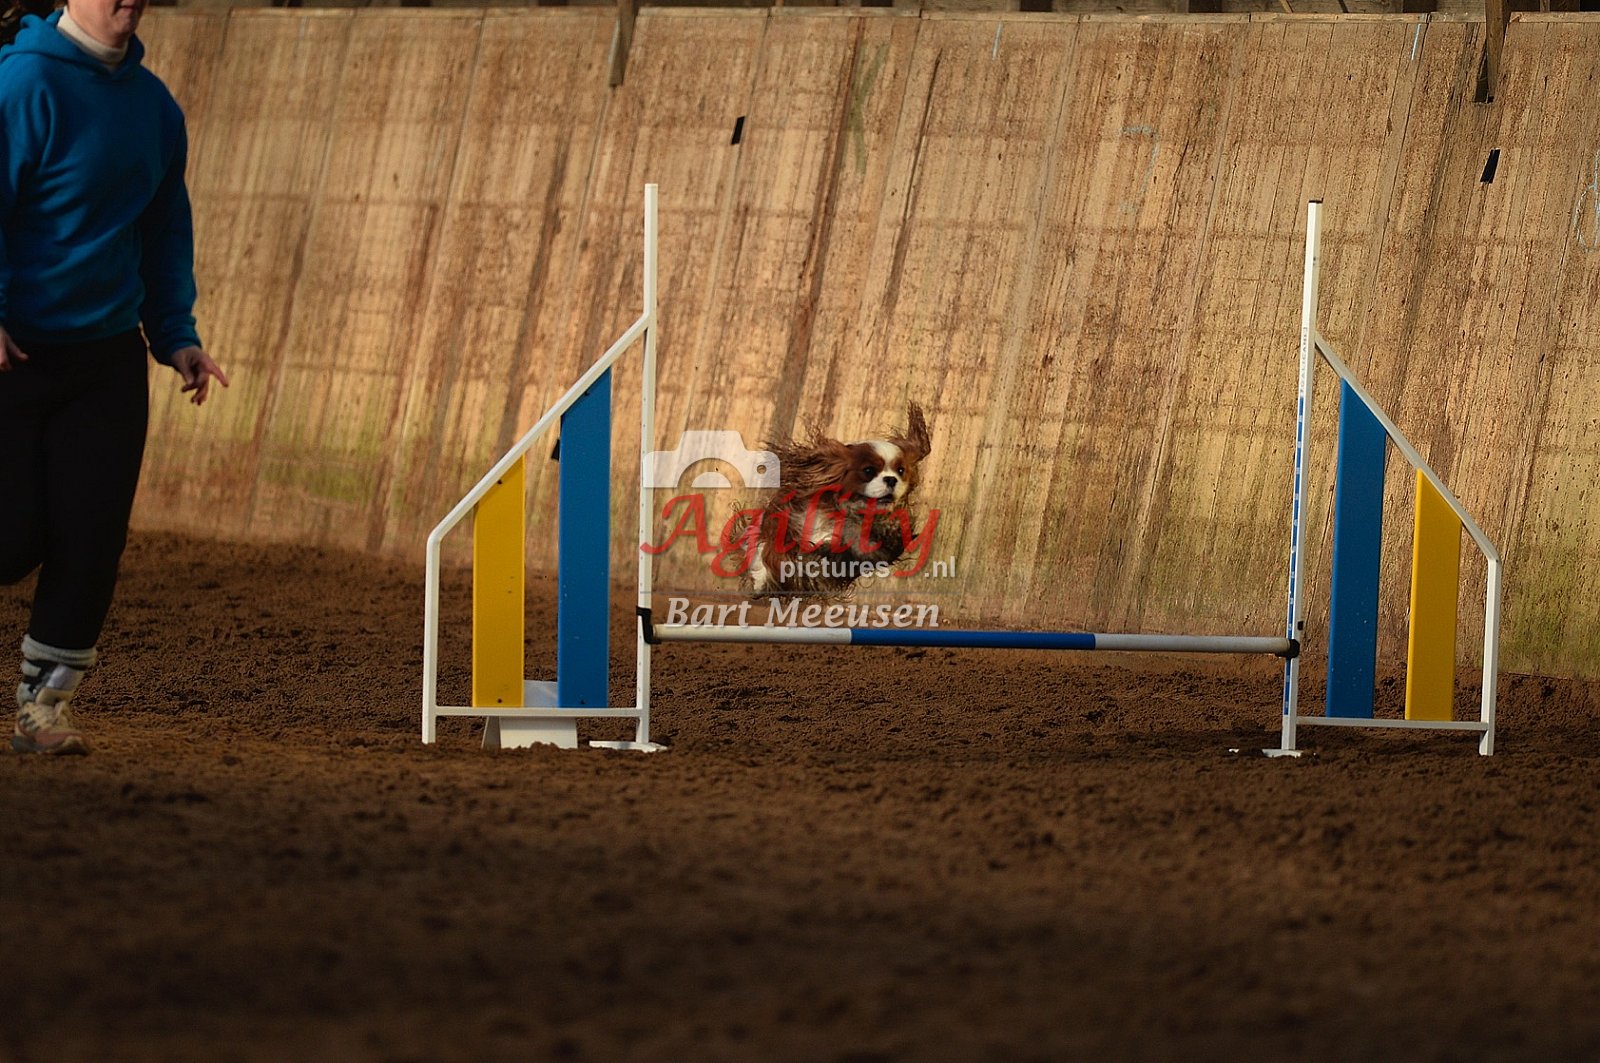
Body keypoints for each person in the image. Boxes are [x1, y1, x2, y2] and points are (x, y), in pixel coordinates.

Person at [0, 0, 227, 754]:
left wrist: (177, 335)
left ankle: (44, 709)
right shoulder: (23, 85)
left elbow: (163, 230)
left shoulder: (155, 108)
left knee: (92, 536)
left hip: (106, 359)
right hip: (13, 352)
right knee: (11, 540)